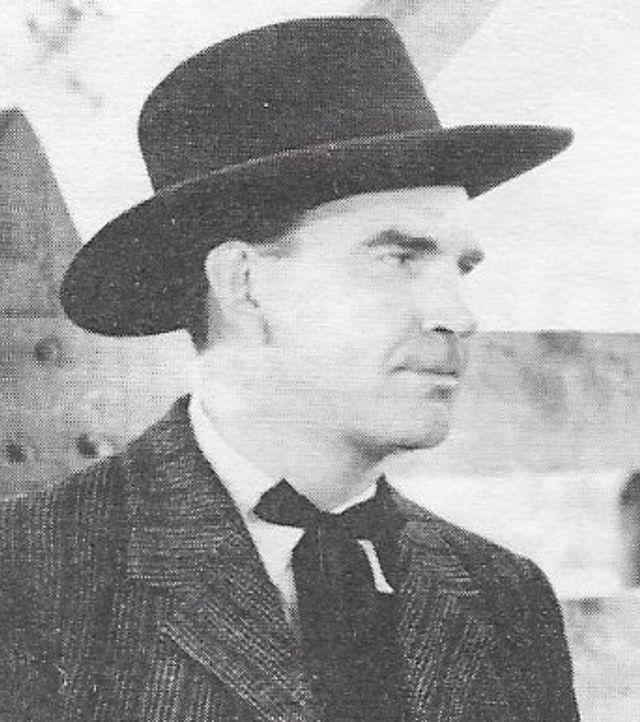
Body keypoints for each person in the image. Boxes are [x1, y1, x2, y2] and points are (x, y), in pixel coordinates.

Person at [0, 17, 579, 722]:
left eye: (460, 269)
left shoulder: (505, 595)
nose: (458, 315)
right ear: (244, 284)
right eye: (399, 259)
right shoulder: (27, 577)